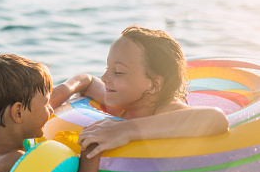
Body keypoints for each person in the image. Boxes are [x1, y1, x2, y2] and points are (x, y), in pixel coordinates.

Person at [76, 25, 229, 159]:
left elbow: (216, 119)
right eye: (107, 68)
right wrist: (62, 90)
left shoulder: (166, 109)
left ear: (154, 84)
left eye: (118, 72)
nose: (104, 78)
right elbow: (88, 82)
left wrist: (126, 130)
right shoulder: (124, 101)